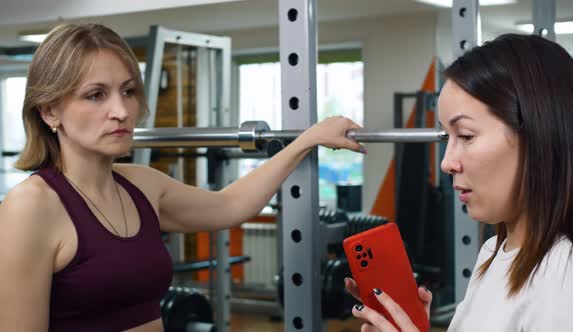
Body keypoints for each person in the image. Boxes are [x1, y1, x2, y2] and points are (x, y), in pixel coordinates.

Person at [0, 23, 365, 332]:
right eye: (96, 95)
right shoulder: (31, 207)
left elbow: (230, 205)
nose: (122, 110)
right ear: (49, 112)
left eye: (128, 91)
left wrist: (307, 140)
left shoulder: (141, 185)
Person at [346, 33, 573, 332]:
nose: (446, 163)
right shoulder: (493, 252)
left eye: (466, 136)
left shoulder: (568, 273)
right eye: (447, 138)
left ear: (537, 137)